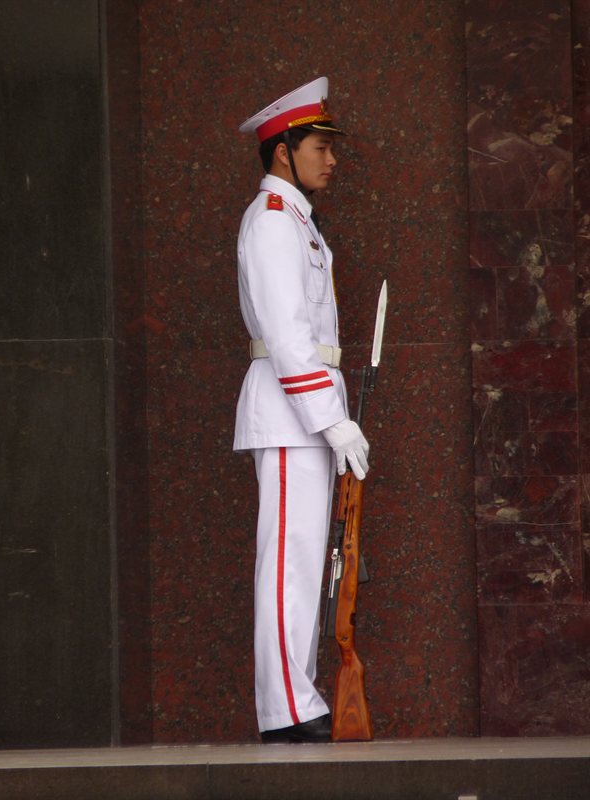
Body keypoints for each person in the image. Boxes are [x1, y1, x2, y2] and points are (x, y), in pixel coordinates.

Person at [234, 77, 369, 744]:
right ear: (282, 151)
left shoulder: (301, 226)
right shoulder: (272, 223)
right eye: (320, 146)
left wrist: (336, 413)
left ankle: (296, 698)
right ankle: (286, 707)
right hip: (290, 415)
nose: (332, 159)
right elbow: (288, 338)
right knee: (289, 561)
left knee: (307, 560)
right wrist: (331, 418)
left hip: (306, 410)